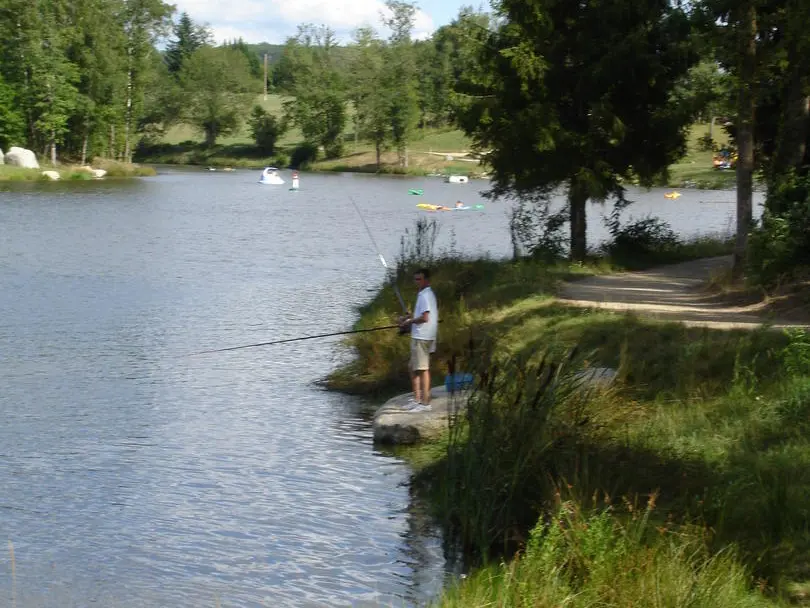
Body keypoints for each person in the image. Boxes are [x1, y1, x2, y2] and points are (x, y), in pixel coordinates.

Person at [399, 268, 438, 411]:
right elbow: (420, 315)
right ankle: (417, 399)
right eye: (415, 279)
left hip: (422, 336)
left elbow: (425, 318)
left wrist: (409, 322)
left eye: (419, 279)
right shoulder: (424, 294)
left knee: (422, 369)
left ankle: (425, 403)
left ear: (426, 280)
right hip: (420, 335)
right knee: (412, 367)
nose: (417, 282)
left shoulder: (425, 295)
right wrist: (409, 317)